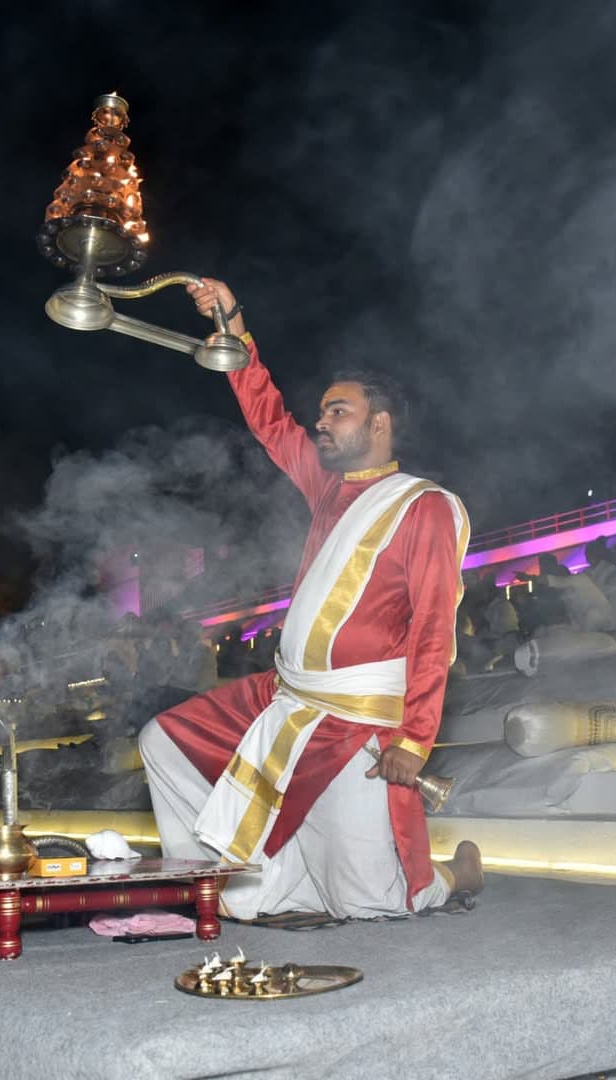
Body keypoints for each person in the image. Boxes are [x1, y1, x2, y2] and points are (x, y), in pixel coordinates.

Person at [138, 278, 481, 922]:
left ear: (379, 424)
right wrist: (233, 324)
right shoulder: (326, 486)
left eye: (337, 412)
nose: (320, 422)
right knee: (164, 740)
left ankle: (455, 876)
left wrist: (415, 740)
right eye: (322, 412)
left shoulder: (424, 506)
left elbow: (434, 628)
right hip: (284, 697)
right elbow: (269, 416)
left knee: (371, 903)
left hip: (359, 723)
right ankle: (235, 887)